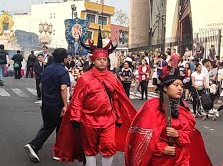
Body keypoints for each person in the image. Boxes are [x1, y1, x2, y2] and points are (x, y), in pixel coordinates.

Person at [53, 30, 137, 165]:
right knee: (90, 149)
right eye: (99, 59)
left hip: (108, 119)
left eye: (105, 59)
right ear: (93, 60)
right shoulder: (85, 78)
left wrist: (118, 116)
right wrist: (75, 117)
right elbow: (77, 100)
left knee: (109, 146)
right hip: (88, 119)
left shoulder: (112, 77)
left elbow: (116, 99)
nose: (102, 62)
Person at [125, 66, 212, 166]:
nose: (180, 88)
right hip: (160, 160)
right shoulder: (152, 107)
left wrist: (177, 134)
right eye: (176, 85)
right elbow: (144, 137)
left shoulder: (183, 108)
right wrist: (162, 148)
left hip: (181, 159)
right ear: (165, 88)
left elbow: (190, 134)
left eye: (181, 86)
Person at [24, 48, 70, 163]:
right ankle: (34, 145)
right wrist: (65, 105)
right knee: (50, 126)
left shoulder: (47, 69)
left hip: (46, 102)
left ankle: (58, 152)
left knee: (58, 126)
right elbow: (63, 88)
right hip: (57, 103)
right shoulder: (63, 71)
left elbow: (41, 85)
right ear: (64, 58)